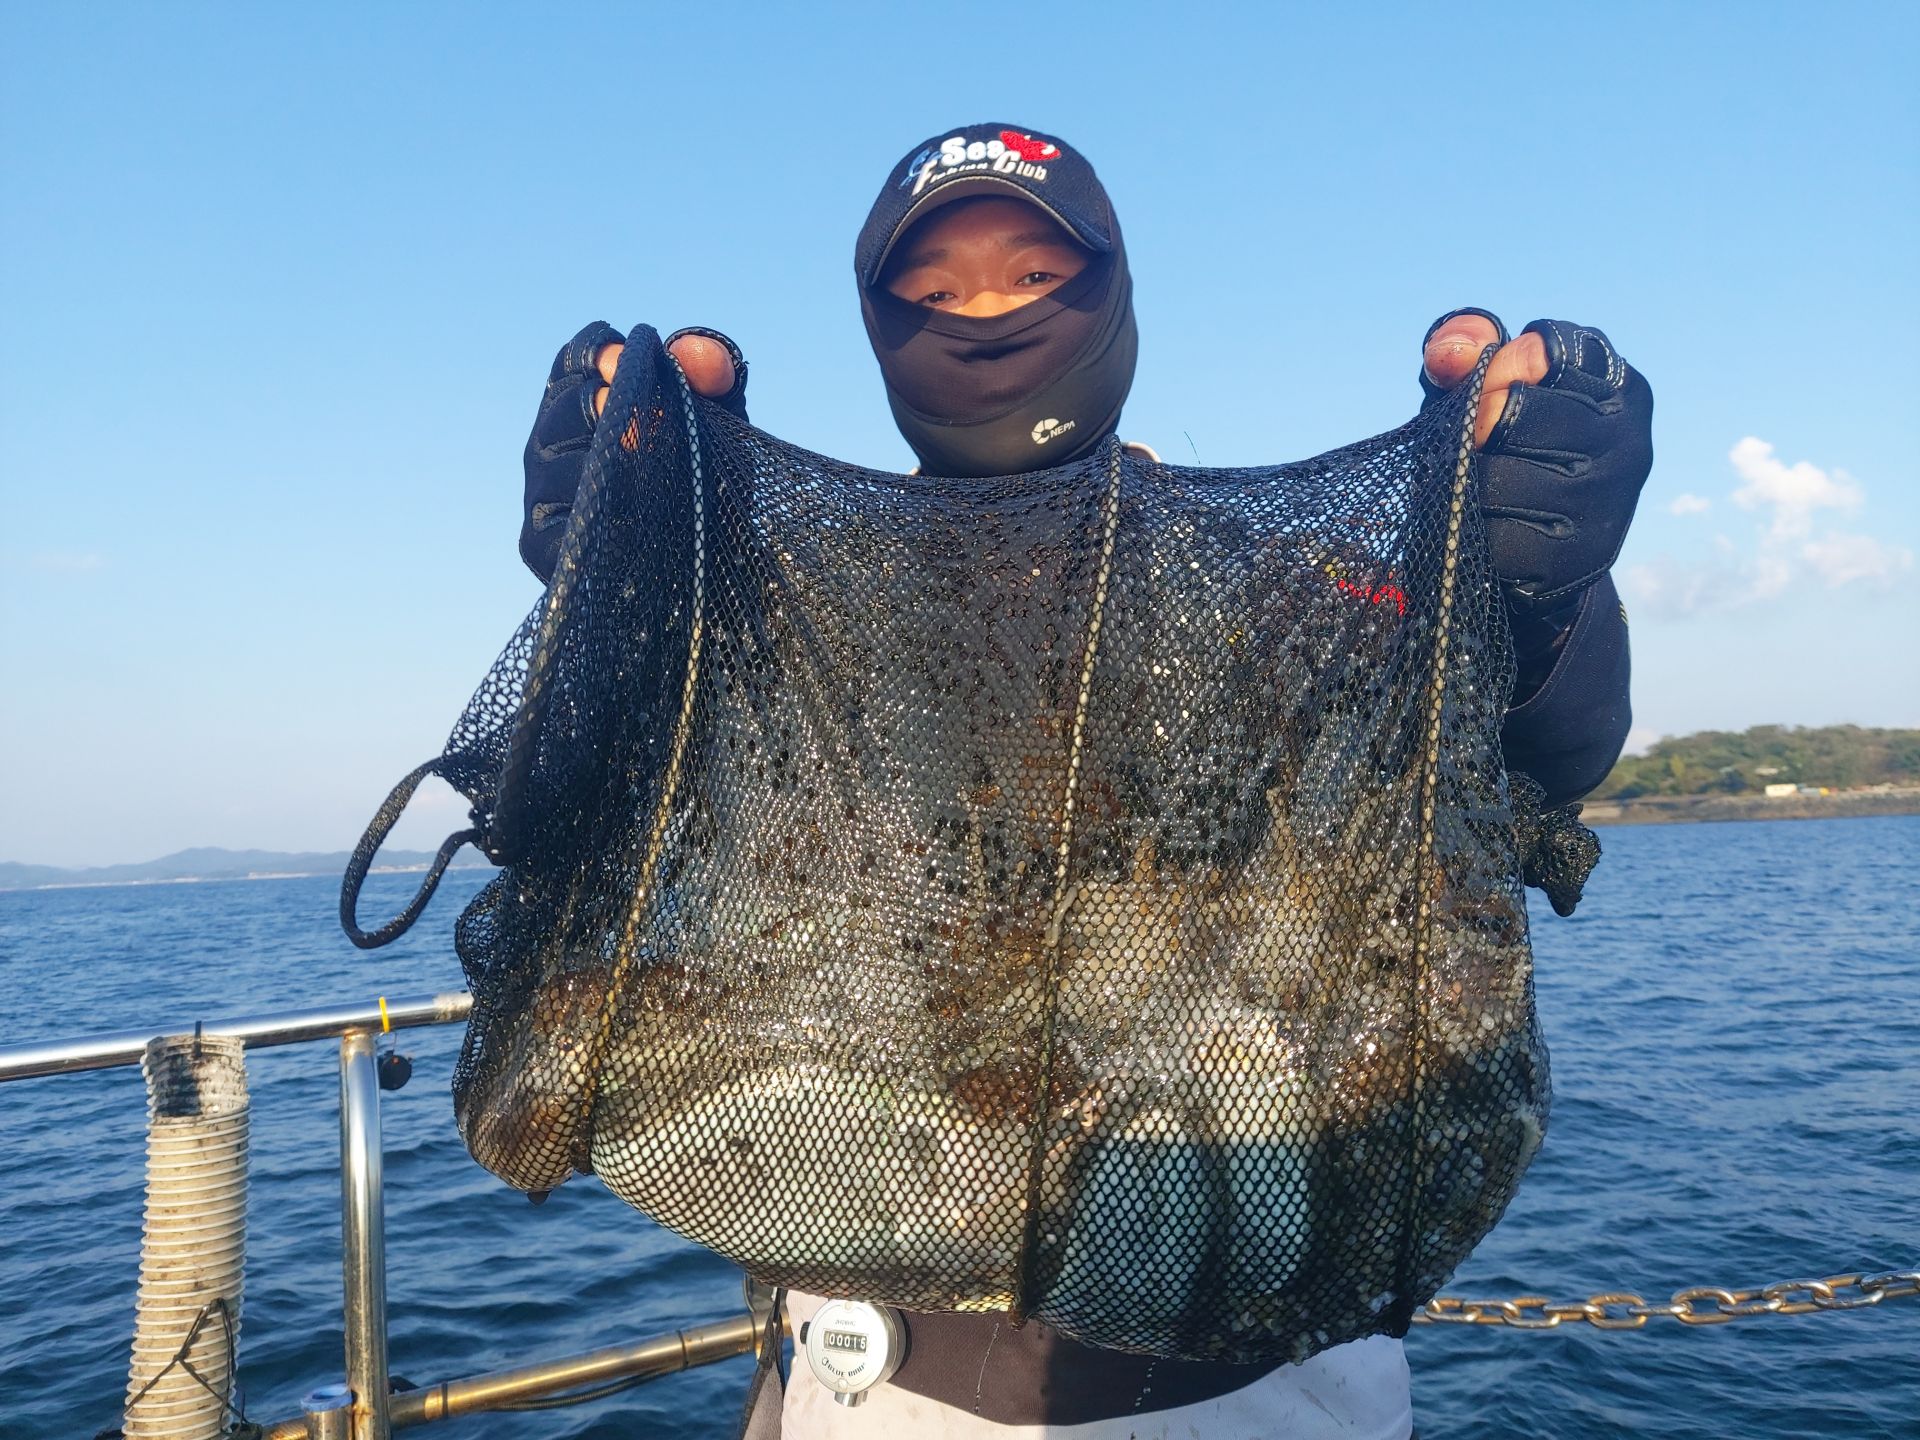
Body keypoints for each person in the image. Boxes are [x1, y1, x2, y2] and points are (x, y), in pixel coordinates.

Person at [517, 123, 1653, 1439]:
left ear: (1110, 293)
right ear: (880, 325)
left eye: (1031, 274)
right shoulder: (794, 623)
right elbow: (601, 808)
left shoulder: (1290, 589)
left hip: (1264, 1388)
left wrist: (1537, 583)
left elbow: (1541, 753)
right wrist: (629, 565)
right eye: (936, 290)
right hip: (865, 1369)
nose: (985, 315)